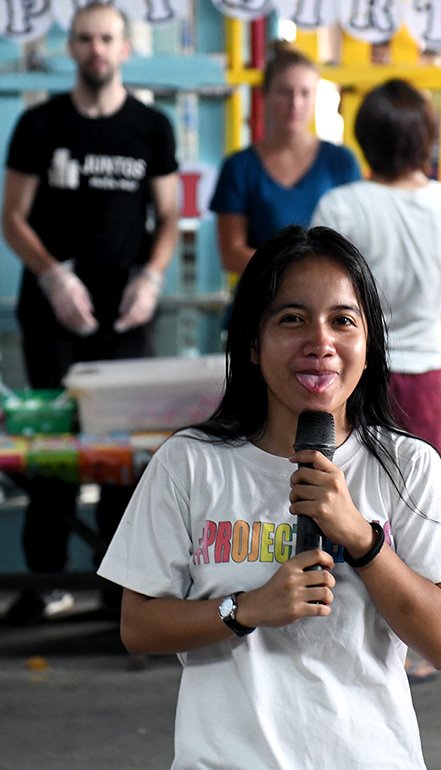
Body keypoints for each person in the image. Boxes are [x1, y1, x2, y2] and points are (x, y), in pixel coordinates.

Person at [98, 225, 441, 769]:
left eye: (342, 321)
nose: (320, 342)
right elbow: (138, 626)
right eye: (292, 319)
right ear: (253, 343)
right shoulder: (189, 463)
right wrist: (246, 609)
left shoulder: (409, 466)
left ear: (368, 345)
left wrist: (362, 540)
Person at [1, 2, 179, 624]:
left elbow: (169, 216)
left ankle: (117, 585)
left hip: (125, 315)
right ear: (70, 48)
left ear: (124, 48)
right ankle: (45, 580)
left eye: (106, 38)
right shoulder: (39, 124)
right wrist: (52, 276)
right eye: (84, 39)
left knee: (124, 454)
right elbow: (12, 216)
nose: (96, 49)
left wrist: (152, 277)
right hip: (54, 315)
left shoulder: (151, 127)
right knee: (51, 447)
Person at [312, 78, 441, 456]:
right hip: (426, 371)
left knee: (349, 481)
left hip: (354, 370)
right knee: (421, 481)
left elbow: (316, 291)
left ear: (365, 138)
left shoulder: (340, 206)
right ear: (427, 138)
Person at [209, 41, 361, 277]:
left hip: (328, 294)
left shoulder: (341, 162)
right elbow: (231, 253)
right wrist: (297, 275)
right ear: (265, 94)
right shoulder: (239, 167)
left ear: (315, 97)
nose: (295, 104)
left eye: (305, 93)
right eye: (285, 92)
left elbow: (357, 244)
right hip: (261, 296)